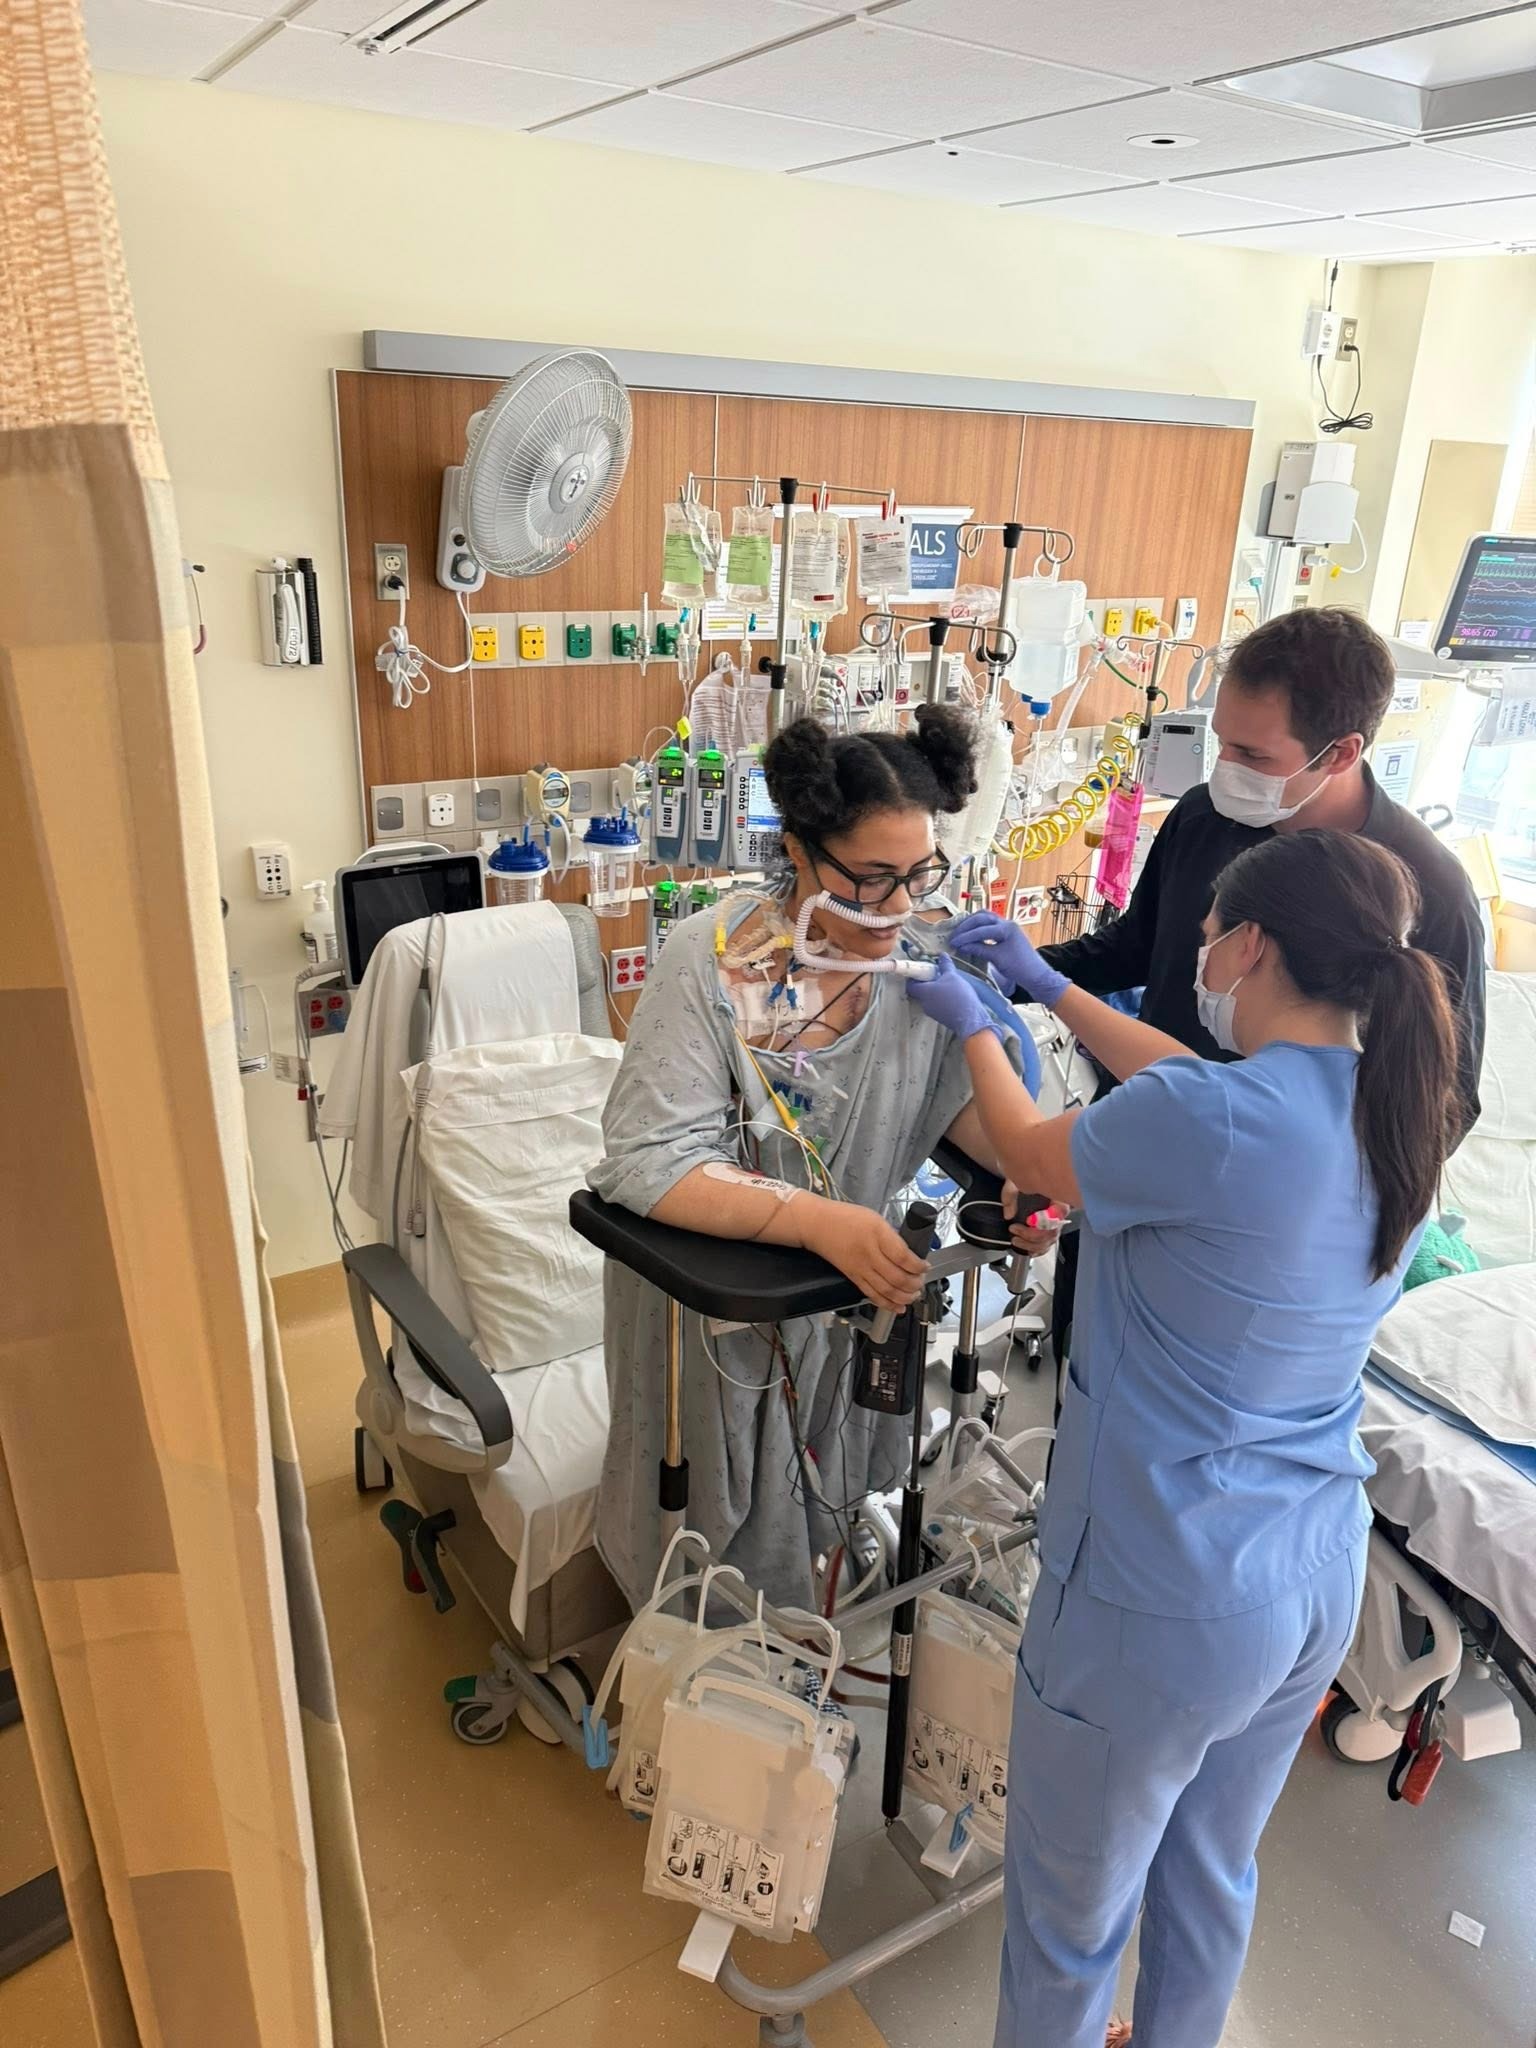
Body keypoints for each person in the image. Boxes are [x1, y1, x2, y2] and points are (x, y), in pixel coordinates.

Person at [908, 828, 1460, 2048]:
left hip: (1162, 1593)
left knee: (1068, 1922)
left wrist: (980, 1026)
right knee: (1209, 1870)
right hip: (1311, 1571)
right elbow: (1196, 1093)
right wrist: (1052, 989)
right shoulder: (1399, 1109)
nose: (1201, 958)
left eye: (1208, 937)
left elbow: (1031, 1149)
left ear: (1250, 944)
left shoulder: (1208, 1120)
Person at [588, 706, 1033, 1614]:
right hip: (715, 1305)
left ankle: (803, 1634)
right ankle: (699, 1666)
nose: (898, 906)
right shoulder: (717, 961)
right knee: (711, 1534)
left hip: (846, 1293)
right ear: (798, 852)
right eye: (870, 879)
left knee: (823, 1482)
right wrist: (820, 1221)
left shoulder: (921, 966)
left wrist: (1025, 1170)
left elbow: (963, 1115)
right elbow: (647, 1157)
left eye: (919, 874)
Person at [1038, 606, 1485, 1367]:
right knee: (1090, 1376)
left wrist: (1299, 1217)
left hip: (1266, 1240)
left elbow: (1446, 1099)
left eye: (1251, 752)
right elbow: (1136, 950)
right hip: (1140, 1150)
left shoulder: (1430, 895)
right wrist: (1014, 972)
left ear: (1341, 752)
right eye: (1221, 740)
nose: (1225, 768)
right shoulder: (1206, 818)